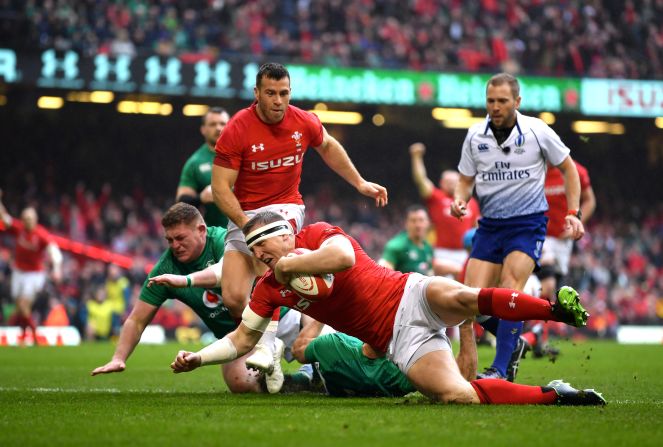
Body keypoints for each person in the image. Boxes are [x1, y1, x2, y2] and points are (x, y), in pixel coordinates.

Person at [169, 212, 605, 406]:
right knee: (455, 394)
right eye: (256, 252)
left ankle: (554, 310)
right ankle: (557, 395)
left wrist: (290, 265)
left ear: (287, 236)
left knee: (464, 296)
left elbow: (342, 259)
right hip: (397, 340)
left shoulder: (320, 234)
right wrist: (199, 357)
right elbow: (241, 339)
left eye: (266, 248)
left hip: (409, 293)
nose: (263, 258)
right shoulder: (267, 289)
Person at [211, 62, 387, 381]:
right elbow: (220, 188)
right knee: (235, 298)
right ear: (257, 94)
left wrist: (359, 183)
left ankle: (268, 349)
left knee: (270, 261)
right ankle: (291, 342)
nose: (278, 101)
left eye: (284, 93)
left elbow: (329, 147)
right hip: (244, 213)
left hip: (285, 207)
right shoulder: (237, 128)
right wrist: (244, 224)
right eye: (271, 93)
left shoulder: (302, 120)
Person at [451, 73, 585, 382]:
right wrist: (460, 200)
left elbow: (569, 169)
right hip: (489, 226)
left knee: (510, 288)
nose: (495, 107)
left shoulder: (537, 131)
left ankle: (501, 369)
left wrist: (573, 212)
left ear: (517, 101)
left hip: (527, 224)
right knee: (470, 301)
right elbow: (465, 179)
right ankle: (514, 342)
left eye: (502, 101)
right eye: (490, 101)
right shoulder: (475, 135)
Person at [91, 203, 270, 393]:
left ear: (201, 230)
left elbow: (222, 272)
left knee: (303, 348)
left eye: (180, 238)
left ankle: (302, 367)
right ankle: (292, 384)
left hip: (272, 317)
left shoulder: (222, 241)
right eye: (169, 240)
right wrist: (118, 358)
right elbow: (136, 320)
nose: (175, 245)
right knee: (241, 381)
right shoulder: (166, 268)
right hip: (236, 336)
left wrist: (185, 280)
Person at [0, 190, 62, 344]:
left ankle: (33, 337)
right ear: (22, 219)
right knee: (20, 307)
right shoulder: (19, 229)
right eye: (25, 218)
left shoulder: (41, 234)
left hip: (34, 274)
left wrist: (56, 269)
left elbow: (53, 250)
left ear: (35, 219)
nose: (28, 220)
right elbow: (4, 218)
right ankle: (25, 336)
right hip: (18, 272)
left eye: (30, 218)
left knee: (23, 304)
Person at [409, 143, 479, 277]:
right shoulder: (436, 197)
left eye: (455, 182)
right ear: (442, 183)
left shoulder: (471, 202)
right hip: (441, 253)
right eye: (449, 182)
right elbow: (421, 180)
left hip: (464, 253)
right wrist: (416, 157)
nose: (452, 184)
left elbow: (476, 226)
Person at [176, 107, 231, 228]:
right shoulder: (195, 162)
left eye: (222, 123)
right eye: (212, 124)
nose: (218, 128)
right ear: (203, 129)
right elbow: (181, 202)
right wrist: (200, 198)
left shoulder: (245, 154)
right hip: (216, 235)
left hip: (248, 232)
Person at [378, 205, 434, 275]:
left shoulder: (428, 247)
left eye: (421, 220)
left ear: (428, 223)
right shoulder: (397, 246)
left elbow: (429, 272)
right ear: (406, 223)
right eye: (413, 221)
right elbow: (384, 272)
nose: (418, 225)